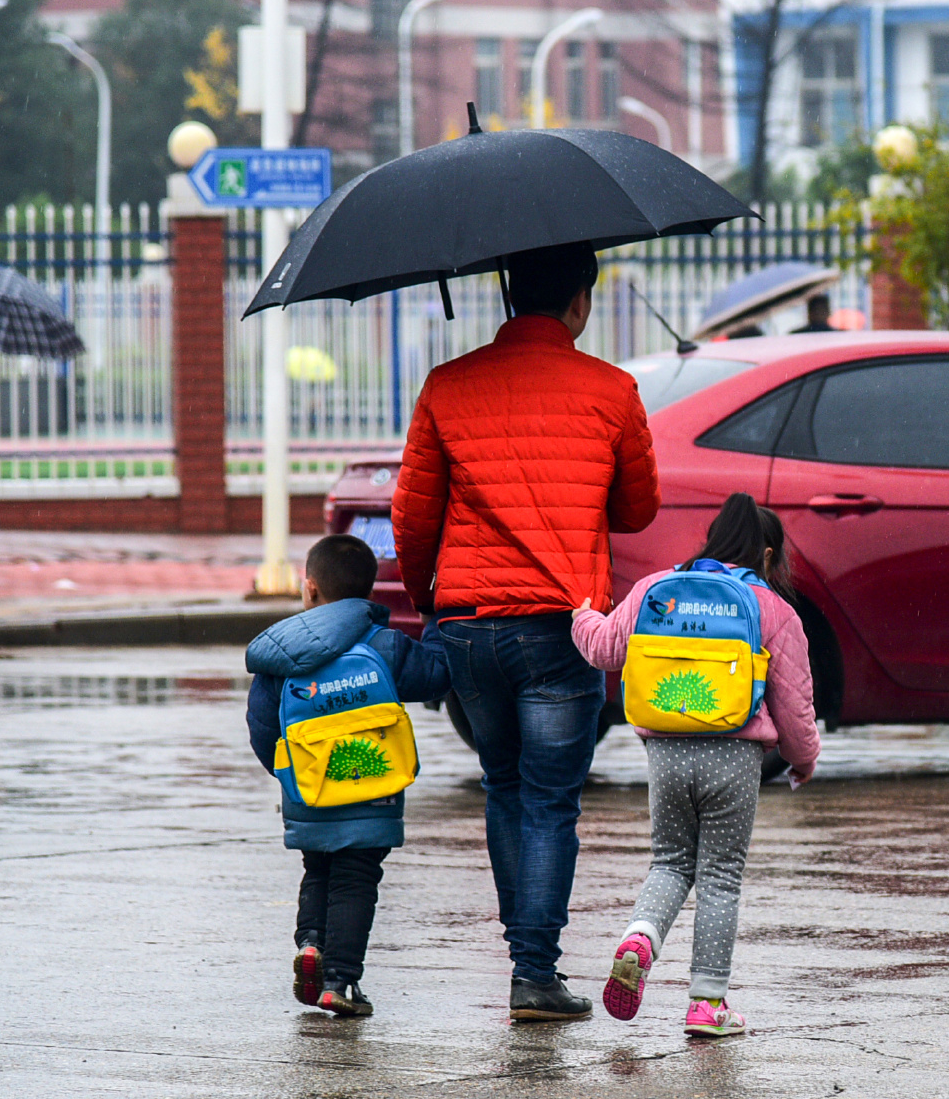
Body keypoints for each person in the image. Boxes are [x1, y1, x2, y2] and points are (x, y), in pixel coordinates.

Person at [392, 240, 661, 1021]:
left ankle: (527, 965)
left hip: (468, 624)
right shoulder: (611, 390)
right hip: (559, 626)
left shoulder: (446, 386)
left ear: (508, 295)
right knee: (549, 802)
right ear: (580, 300)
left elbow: (413, 517)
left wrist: (428, 604)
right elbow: (637, 509)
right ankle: (533, 974)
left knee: (504, 787)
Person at [571, 493, 820, 1036]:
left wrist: (582, 615)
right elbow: (795, 705)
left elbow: (604, 649)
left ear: (712, 540)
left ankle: (639, 936)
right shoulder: (772, 609)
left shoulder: (656, 588)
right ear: (767, 555)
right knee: (720, 877)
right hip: (733, 756)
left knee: (669, 863)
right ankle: (707, 1005)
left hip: (665, 752)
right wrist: (802, 760)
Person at [245, 534, 450, 1017]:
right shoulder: (384, 644)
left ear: (310, 587)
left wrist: (291, 778)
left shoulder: (280, 651)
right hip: (372, 790)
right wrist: (435, 622)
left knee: (318, 868)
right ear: (369, 592)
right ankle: (340, 981)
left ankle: (311, 944)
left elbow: (262, 727)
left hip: (308, 786)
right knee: (356, 877)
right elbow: (437, 675)